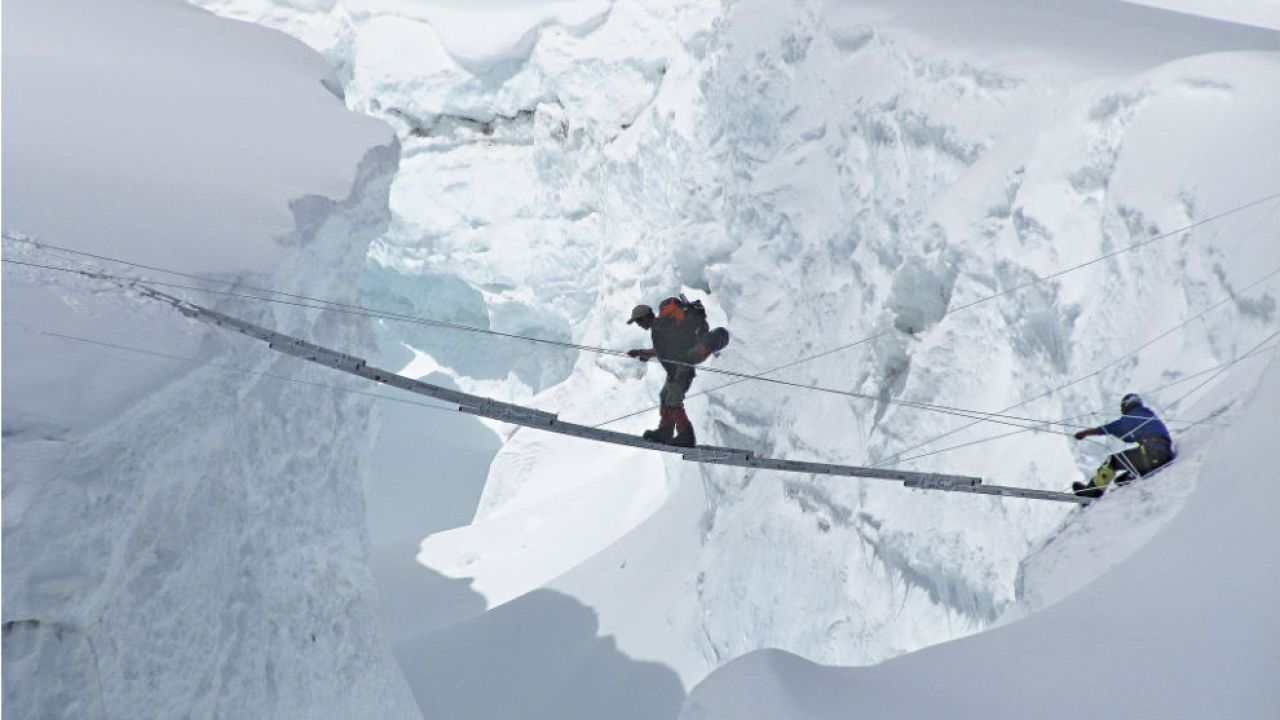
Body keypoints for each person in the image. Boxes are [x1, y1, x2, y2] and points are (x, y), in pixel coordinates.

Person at [626, 296, 729, 448]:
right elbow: (664, 349)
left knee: (673, 401)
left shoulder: (662, 326)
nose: (639, 325)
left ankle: (685, 435)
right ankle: (665, 432)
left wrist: (681, 359)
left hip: (682, 368)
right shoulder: (659, 327)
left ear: (646, 317)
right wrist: (643, 353)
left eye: (639, 321)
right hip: (677, 369)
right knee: (665, 396)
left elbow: (675, 345)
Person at [1071, 393, 1175, 498]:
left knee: (1112, 461)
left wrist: (1086, 433)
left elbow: (1112, 427)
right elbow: (1129, 438)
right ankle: (1127, 482)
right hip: (1163, 456)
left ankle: (1092, 491)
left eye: (1122, 408)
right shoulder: (1147, 415)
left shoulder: (1134, 414)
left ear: (1127, 405)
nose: (1123, 412)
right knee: (1121, 480)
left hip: (1151, 454)